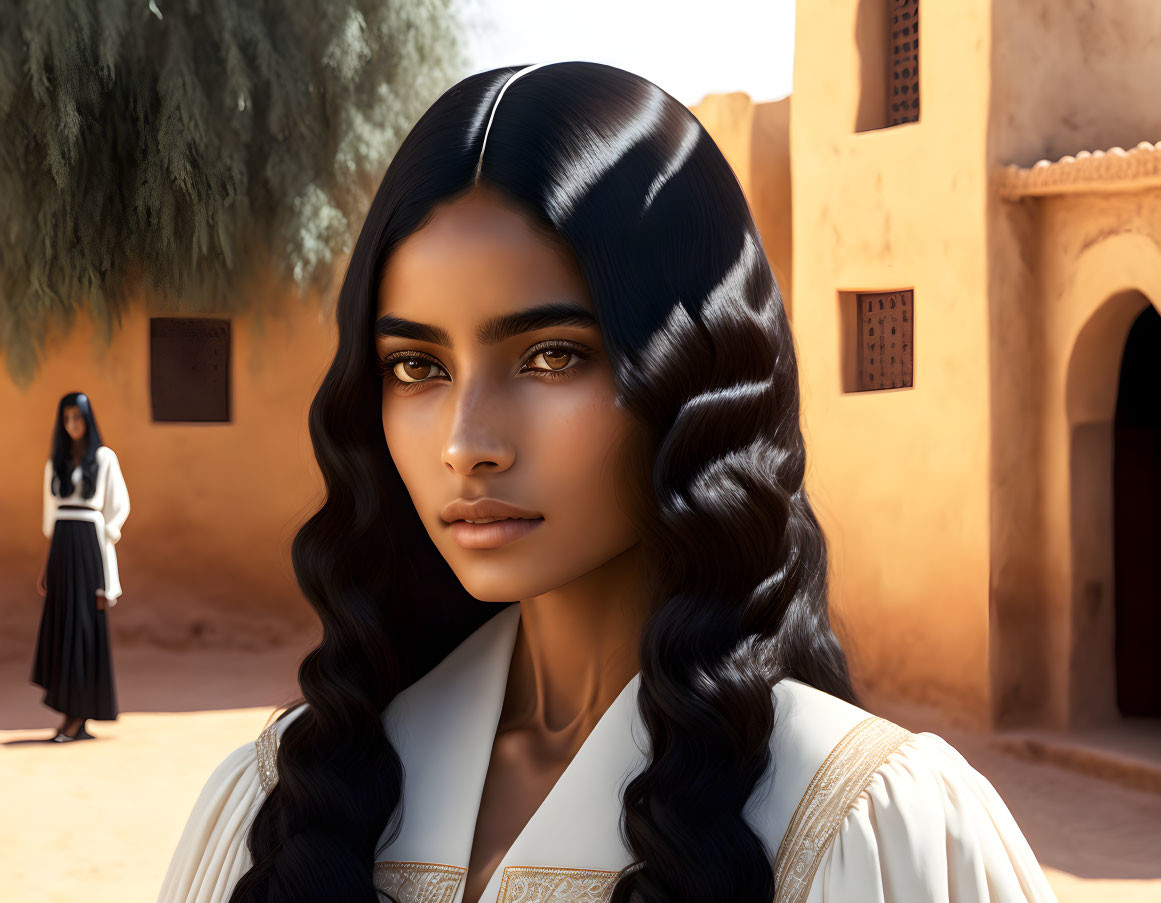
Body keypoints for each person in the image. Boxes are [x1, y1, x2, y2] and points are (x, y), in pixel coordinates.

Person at [158, 62, 1059, 903]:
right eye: (416, 367)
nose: (466, 444)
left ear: (694, 376)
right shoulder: (280, 802)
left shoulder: (863, 818)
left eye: (551, 356)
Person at [33, 391, 130, 742]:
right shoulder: (55, 462)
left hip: (89, 550)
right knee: (63, 631)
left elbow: (116, 510)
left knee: (85, 631)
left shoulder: (104, 459)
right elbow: (51, 517)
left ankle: (79, 716)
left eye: (79, 416)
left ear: (88, 419)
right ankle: (69, 714)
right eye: (67, 417)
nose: (73, 423)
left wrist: (106, 577)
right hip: (61, 550)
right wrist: (48, 565)